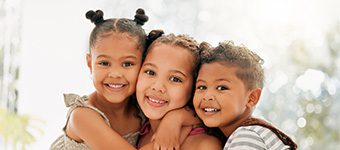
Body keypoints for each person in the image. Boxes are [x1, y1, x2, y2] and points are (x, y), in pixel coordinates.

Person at [51, 9, 199, 150]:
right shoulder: (82, 116)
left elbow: (200, 112)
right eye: (104, 63)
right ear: (90, 64)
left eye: (127, 64)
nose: (115, 74)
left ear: (142, 64)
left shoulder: (142, 104)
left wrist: (174, 120)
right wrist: (177, 135)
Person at [193, 41, 298, 150]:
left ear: (251, 98)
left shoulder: (245, 136)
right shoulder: (251, 133)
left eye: (221, 88)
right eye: (202, 87)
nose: (207, 96)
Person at [136, 33, 222, 150]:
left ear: (194, 86)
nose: (157, 87)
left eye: (175, 79)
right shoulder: (139, 126)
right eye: (150, 72)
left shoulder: (204, 145)